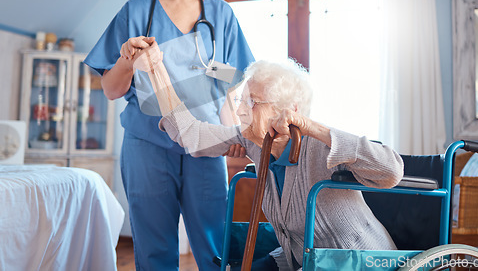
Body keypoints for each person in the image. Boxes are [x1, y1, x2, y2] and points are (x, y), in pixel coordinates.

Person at [133, 42, 404, 270]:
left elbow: (391, 170)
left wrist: (311, 126)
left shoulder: (322, 147)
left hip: (357, 262)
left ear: (289, 110)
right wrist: (156, 70)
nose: (240, 111)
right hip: (301, 261)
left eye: (251, 102)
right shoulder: (255, 142)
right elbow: (191, 134)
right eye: (242, 100)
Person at [84, 0, 254, 269]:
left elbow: (233, 77)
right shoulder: (135, 11)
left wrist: (205, 68)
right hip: (148, 143)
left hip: (204, 145)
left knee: (214, 246)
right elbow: (112, 90)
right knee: (154, 248)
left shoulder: (220, 14)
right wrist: (127, 60)